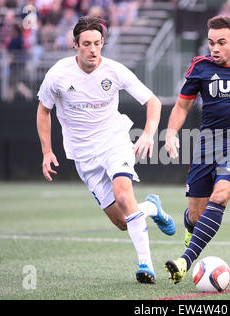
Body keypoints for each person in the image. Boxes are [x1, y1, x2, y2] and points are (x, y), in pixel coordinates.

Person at [36, 16, 175, 284]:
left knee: (124, 196)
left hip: (114, 141)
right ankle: (152, 208)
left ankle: (146, 265)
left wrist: (147, 134)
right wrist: (47, 151)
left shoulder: (115, 71)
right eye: (86, 43)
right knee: (123, 222)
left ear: (103, 44)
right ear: (75, 44)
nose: (92, 49)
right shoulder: (58, 74)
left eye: (97, 43)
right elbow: (43, 110)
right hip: (83, 155)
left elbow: (153, 102)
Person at [163, 15, 230, 284]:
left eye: (221, 42)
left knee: (221, 194)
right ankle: (190, 226)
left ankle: (184, 261)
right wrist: (171, 133)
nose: (214, 48)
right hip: (207, 146)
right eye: (211, 42)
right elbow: (181, 105)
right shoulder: (200, 68)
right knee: (196, 215)